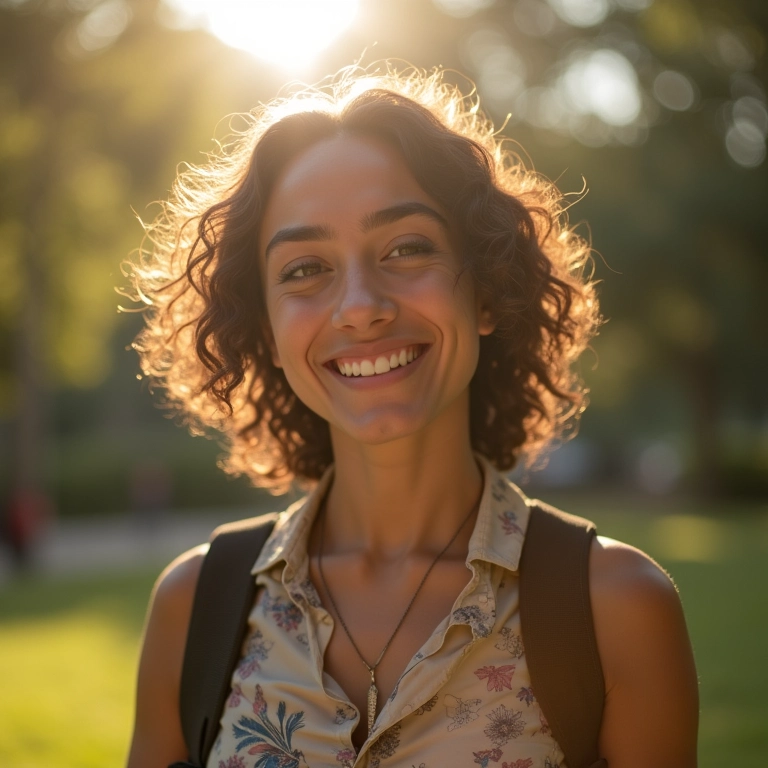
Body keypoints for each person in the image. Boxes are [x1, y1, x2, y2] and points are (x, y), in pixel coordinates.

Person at [126, 66, 698, 768]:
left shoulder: (618, 609)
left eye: (406, 248)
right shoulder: (193, 608)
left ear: (486, 292)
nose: (360, 306)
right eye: (304, 269)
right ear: (267, 331)